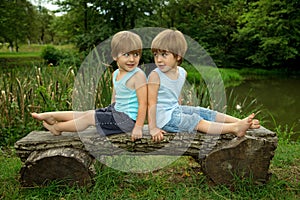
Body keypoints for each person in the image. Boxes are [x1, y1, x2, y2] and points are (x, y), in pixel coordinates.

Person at [32, 31, 147, 141]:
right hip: (117, 111)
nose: (132, 59)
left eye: (136, 54)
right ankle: (52, 116)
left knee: (89, 118)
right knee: (87, 113)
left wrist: (138, 127)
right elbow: (115, 96)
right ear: (115, 56)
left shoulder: (138, 76)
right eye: (126, 54)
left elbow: (143, 104)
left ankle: (57, 128)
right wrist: (109, 110)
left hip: (128, 121)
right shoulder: (116, 73)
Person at [147, 29, 260, 142]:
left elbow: (177, 96)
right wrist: (153, 128)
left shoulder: (182, 72)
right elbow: (150, 103)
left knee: (204, 112)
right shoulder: (155, 76)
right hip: (164, 119)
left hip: (175, 110)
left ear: (178, 56)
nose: (158, 59)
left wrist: (182, 110)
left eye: (164, 54)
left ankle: (240, 122)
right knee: (195, 121)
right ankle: (234, 128)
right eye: (155, 55)